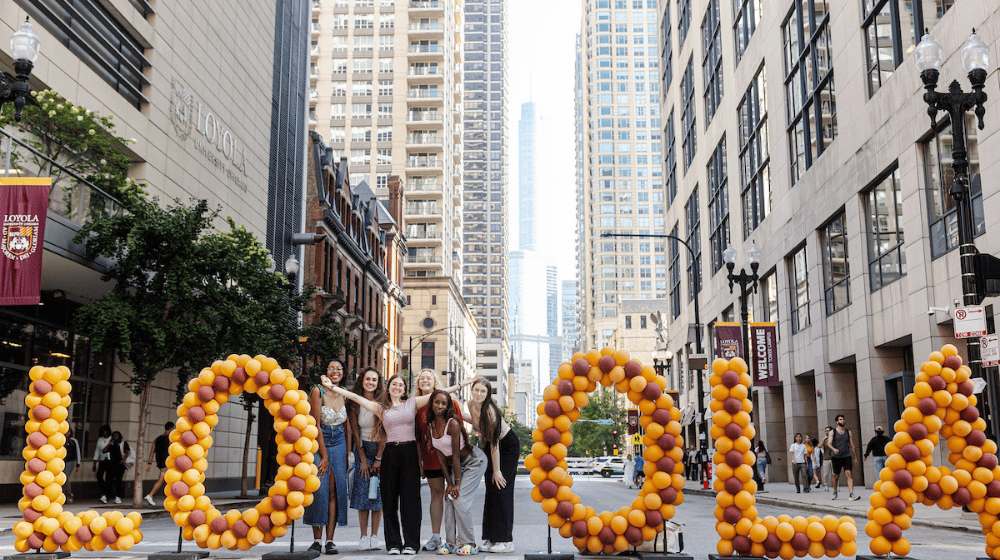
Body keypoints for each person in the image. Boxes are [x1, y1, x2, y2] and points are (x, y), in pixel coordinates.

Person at [329, 373, 463, 555]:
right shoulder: (380, 408)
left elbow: (439, 393)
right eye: (394, 384)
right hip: (390, 453)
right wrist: (332, 387)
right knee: (390, 500)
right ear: (388, 387)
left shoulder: (412, 403)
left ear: (404, 389)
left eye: (401, 385)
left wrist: (462, 385)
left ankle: (411, 544)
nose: (397, 387)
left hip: (408, 452)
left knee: (410, 500)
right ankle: (393, 544)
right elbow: (355, 397)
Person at [426, 390, 488, 555]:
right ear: (431, 403)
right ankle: (451, 544)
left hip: (474, 462)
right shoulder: (430, 426)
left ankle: (470, 544)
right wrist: (449, 484)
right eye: (437, 402)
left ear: (447, 407)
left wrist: (457, 484)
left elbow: (454, 456)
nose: (439, 406)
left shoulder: (452, 423)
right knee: (449, 499)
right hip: (456, 466)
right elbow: (441, 458)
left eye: (443, 403)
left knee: (459, 500)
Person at [465, 377, 518, 554]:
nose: (479, 394)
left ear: (488, 394)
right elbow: (477, 425)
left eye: (483, 391)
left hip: (506, 446)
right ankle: (490, 537)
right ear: (472, 390)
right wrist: (455, 413)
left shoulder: (489, 411)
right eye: (476, 390)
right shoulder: (470, 404)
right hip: (490, 445)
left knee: (501, 488)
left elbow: (495, 442)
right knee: (491, 491)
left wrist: (496, 470)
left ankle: (505, 540)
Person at [414, 369, 464, 552]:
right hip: (430, 458)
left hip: (452, 458)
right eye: (422, 378)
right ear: (418, 383)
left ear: (435, 381)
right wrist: (420, 461)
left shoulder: (451, 403)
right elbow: (417, 437)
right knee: (436, 495)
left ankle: (460, 537)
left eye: (429, 377)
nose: (425, 380)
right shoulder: (416, 407)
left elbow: (461, 432)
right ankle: (436, 536)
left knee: (456, 495)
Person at [304, 360, 350, 555]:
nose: (335, 371)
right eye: (331, 368)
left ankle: (330, 540)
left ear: (342, 373)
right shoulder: (317, 392)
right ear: (326, 372)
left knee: (335, 490)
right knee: (319, 490)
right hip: (320, 440)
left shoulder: (344, 394)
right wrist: (323, 455)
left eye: (338, 368)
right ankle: (316, 540)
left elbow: (346, 425)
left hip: (339, 442)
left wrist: (348, 453)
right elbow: (315, 425)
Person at [348, 368, 386, 551]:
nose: (370, 382)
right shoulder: (354, 402)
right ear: (362, 380)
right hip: (362, 447)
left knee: (377, 495)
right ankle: (363, 537)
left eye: (374, 380)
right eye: (367, 379)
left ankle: (374, 537)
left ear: (378, 383)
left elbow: (386, 432)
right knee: (363, 492)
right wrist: (362, 458)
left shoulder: (383, 402)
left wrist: (378, 458)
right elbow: (355, 432)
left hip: (380, 448)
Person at [827, 414, 861, 500]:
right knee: (836, 476)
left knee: (848, 474)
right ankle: (835, 492)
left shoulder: (848, 432)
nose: (843, 421)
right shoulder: (833, 432)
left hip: (847, 456)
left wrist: (855, 457)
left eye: (843, 419)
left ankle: (851, 494)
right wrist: (833, 449)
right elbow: (829, 443)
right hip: (836, 457)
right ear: (837, 422)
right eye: (841, 419)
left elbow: (852, 445)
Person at [144, 422, 174, 505]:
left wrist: (149, 463)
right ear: (171, 429)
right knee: (161, 480)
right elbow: (172, 450)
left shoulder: (157, 439)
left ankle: (170, 498)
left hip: (160, 462)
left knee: (167, 480)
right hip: (167, 462)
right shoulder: (170, 439)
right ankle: (150, 495)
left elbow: (152, 451)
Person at [104, 430, 132, 504]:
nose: (115, 437)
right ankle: (107, 496)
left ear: (119, 436)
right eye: (113, 436)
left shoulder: (123, 443)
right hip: (111, 463)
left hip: (120, 464)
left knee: (118, 481)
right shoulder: (112, 444)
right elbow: (104, 451)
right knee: (109, 480)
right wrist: (109, 443)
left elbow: (127, 452)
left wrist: (123, 460)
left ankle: (118, 497)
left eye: (116, 435)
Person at [93, 424, 113, 503]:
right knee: (99, 476)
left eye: (106, 431)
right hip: (102, 460)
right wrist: (94, 463)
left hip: (110, 460)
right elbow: (97, 451)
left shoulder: (111, 439)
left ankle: (107, 495)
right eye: (103, 431)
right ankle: (104, 492)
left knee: (109, 478)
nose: (104, 432)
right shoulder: (100, 440)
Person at [64, 427, 81, 503]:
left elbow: (77, 452)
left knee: (66, 477)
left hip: (70, 461)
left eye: (69, 432)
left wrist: (78, 464)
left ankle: (69, 495)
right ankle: (62, 495)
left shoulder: (73, 441)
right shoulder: (60, 440)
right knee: (61, 479)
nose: (67, 433)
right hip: (61, 462)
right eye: (66, 432)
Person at [820, 426, 833, 491]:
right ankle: (826, 485)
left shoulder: (834, 438)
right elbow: (819, 446)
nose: (827, 432)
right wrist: (823, 440)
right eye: (826, 431)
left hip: (833, 458)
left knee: (835, 473)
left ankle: (836, 486)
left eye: (828, 431)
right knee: (826, 473)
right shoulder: (825, 439)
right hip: (826, 458)